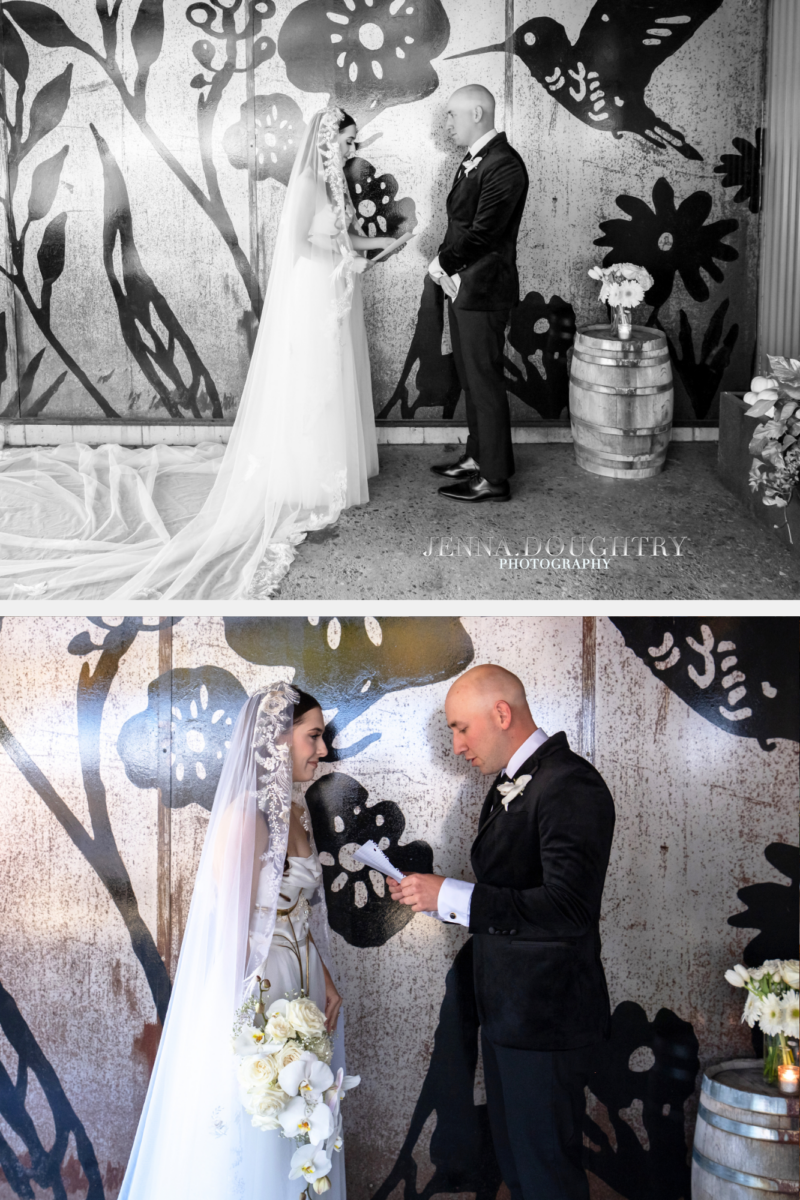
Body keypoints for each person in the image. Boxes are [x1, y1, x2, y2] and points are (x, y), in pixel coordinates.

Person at [0, 108, 395, 599]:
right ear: (325, 142)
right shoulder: (312, 187)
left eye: (354, 143)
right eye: (348, 142)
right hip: (316, 290)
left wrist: (382, 243)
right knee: (312, 380)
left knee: (334, 380)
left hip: (338, 288)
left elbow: (344, 236)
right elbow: (301, 247)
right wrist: (348, 262)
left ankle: (334, 465)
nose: (352, 151)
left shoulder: (337, 190)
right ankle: (306, 477)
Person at [388, 664, 615, 1200]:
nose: (456, 745)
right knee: (520, 1173)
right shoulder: (510, 784)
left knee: (548, 1179)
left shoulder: (570, 783)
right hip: (510, 1020)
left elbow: (569, 909)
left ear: (502, 713)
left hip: (548, 1024)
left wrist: (451, 897)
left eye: (460, 728)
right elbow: (514, 893)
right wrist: (441, 899)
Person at [119, 682, 353, 1200]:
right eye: (313, 736)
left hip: (303, 986)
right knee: (261, 1113)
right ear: (277, 739)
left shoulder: (294, 811)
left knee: (304, 1122)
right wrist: (247, 1029)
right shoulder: (246, 819)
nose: (323, 750)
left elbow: (291, 915)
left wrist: (328, 983)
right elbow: (232, 931)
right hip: (258, 993)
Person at [428, 86, 529, 503]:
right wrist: (447, 267)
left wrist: (440, 264)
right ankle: (478, 457)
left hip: (484, 289)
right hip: (464, 287)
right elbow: (463, 225)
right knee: (471, 379)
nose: (447, 124)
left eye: (452, 116)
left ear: (477, 112)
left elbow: (484, 233)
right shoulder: (477, 160)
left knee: (484, 382)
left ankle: (495, 478)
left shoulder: (504, 165)